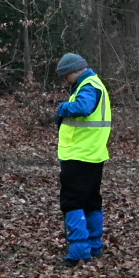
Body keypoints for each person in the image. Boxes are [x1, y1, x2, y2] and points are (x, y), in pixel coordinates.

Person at [52, 52, 113, 265]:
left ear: (74, 71)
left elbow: (83, 108)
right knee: (91, 201)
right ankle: (95, 246)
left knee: (72, 202)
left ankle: (78, 252)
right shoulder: (96, 84)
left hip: (78, 155)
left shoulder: (88, 86)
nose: (65, 80)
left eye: (65, 76)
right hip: (93, 154)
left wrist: (63, 107)